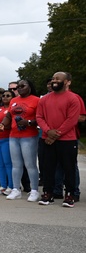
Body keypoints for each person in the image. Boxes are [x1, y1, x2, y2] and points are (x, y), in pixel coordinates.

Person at [37, 72, 80, 207]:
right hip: (47, 139)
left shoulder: (73, 98)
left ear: (67, 82)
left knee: (69, 168)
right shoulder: (44, 99)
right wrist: (48, 131)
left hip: (67, 140)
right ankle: (48, 194)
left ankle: (70, 195)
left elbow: (72, 120)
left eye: (58, 79)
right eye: (53, 79)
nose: (54, 81)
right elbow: (39, 117)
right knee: (48, 168)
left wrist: (56, 134)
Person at [0, 80, 40, 202]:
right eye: (18, 87)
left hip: (29, 136)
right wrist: (2, 124)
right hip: (14, 135)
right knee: (16, 164)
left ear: (30, 87)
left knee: (30, 164)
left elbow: (40, 118)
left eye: (23, 86)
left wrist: (28, 122)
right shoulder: (14, 100)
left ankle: (34, 190)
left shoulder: (36, 100)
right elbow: (8, 116)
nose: (20, 88)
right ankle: (16, 189)